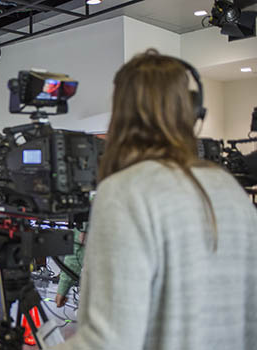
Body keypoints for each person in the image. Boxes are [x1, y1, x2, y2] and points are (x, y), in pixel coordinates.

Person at [51, 50, 257, 350]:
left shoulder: (125, 191)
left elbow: (107, 342)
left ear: (123, 116)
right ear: (191, 112)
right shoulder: (228, 188)